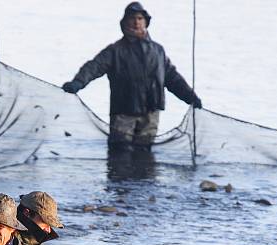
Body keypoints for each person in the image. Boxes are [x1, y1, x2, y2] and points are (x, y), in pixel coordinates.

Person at [62, 2, 202, 152]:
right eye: (132, 18)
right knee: (119, 155)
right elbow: (94, 67)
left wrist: (190, 97)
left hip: (151, 113)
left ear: (146, 22)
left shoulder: (158, 51)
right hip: (123, 112)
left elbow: (173, 78)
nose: (136, 22)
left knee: (144, 156)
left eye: (140, 18)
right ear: (124, 23)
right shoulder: (115, 50)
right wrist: (77, 82)